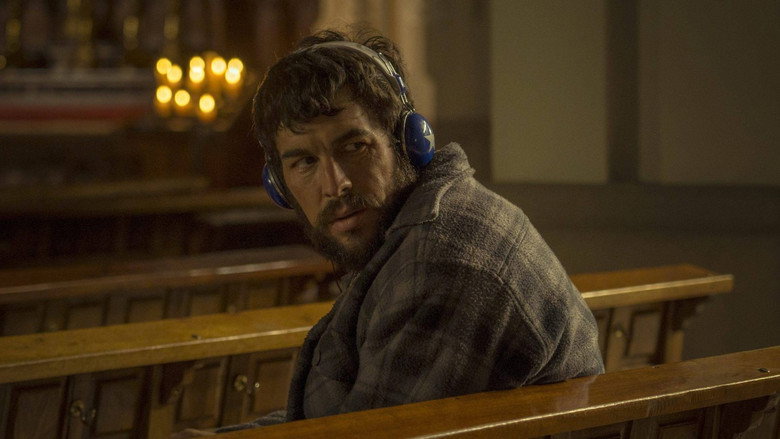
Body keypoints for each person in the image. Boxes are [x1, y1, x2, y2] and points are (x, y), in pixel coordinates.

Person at [173, 27, 603, 437]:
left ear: (409, 142)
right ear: (279, 185)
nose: (335, 184)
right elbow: (352, 417)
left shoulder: (441, 262)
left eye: (354, 146)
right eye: (304, 162)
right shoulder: (413, 233)